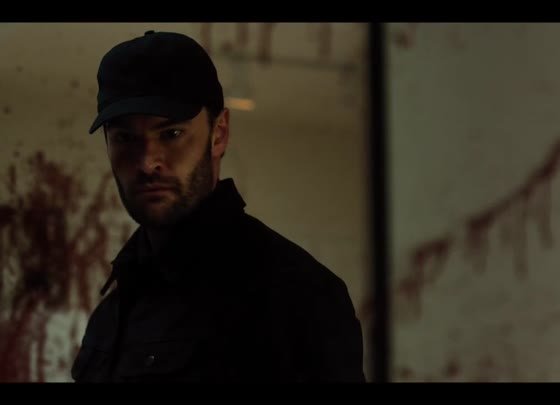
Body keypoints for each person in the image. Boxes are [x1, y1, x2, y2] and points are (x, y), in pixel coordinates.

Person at [71, 30, 366, 383]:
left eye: (171, 134)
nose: (147, 162)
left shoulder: (296, 293)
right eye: (125, 138)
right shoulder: (113, 311)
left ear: (219, 133)